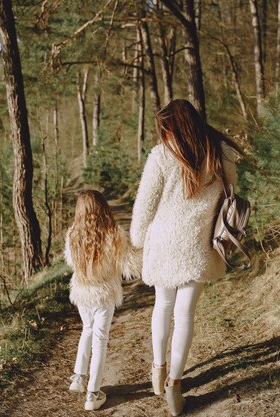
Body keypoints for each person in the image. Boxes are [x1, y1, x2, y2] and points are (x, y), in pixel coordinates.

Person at [130, 99, 240, 416]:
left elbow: (144, 205)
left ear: (170, 126)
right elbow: (232, 198)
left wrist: (137, 240)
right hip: (199, 246)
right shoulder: (220, 153)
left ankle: (158, 369)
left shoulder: (162, 156)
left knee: (163, 307)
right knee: (186, 315)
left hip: (163, 245)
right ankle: (174, 387)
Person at [65, 190, 141, 411]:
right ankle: (93, 392)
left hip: (82, 293)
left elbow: (71, 263)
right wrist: (140, 249)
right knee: (100, 339)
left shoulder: (73, 234)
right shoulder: (114, 233)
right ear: (103, 207)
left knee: (87, 329)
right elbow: (129, 267)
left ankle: (78, 378)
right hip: (104, 293)